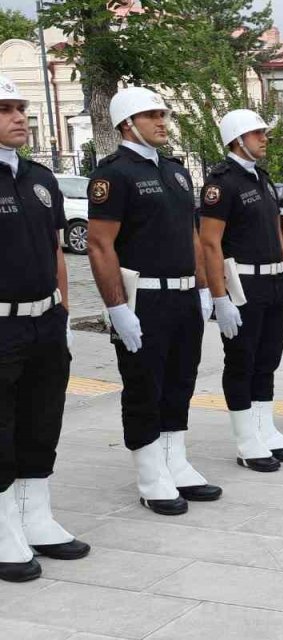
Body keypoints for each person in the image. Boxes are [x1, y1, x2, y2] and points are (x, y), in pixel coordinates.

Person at [87, 87, 221, 516]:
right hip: (143, 298)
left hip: (183, 295)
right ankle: (150, 473)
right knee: (145, 386)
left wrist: (203, 288)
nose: (162, 122)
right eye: (151, 115)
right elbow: (99, 244)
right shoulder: (115, 175)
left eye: (163, 114)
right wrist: (116, 308)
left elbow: (192, 236)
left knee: (181, 379)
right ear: (128, 124)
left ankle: (174, 460)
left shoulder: (176, 172)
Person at [0, 75, 90, 583]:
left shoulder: (40, 178)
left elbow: (57, 251)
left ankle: (36, 516)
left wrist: (64, 314)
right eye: (5, 108)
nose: (18, 116)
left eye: (21, 106)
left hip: (45, 320)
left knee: (41, 420)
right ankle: (3, 526)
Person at [198, 109, 283, 473]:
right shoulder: (221, 183)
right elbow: (209, 243)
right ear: (237, 139)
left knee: (267, 360)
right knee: (242, 361)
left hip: (273, 280)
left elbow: (276, 227)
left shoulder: (261, 177)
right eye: (257, 133)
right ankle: (246, 438)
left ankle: (264, 428)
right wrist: (219, 297)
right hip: (243, 283)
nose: (264, 138)